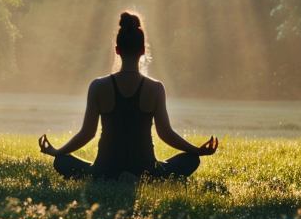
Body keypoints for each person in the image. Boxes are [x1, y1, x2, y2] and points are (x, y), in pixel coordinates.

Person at [39, 11, 218, 180]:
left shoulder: (98, 86)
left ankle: (111, 177)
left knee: (61, 161)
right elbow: (165, 133)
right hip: (146, 170)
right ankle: (142, 178)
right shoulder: (155, 88)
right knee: (191, 159)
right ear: (143, 50)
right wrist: (197, 151)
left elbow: (87, 133)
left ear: (117, 50)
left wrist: (57, 152)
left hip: (105, 170)